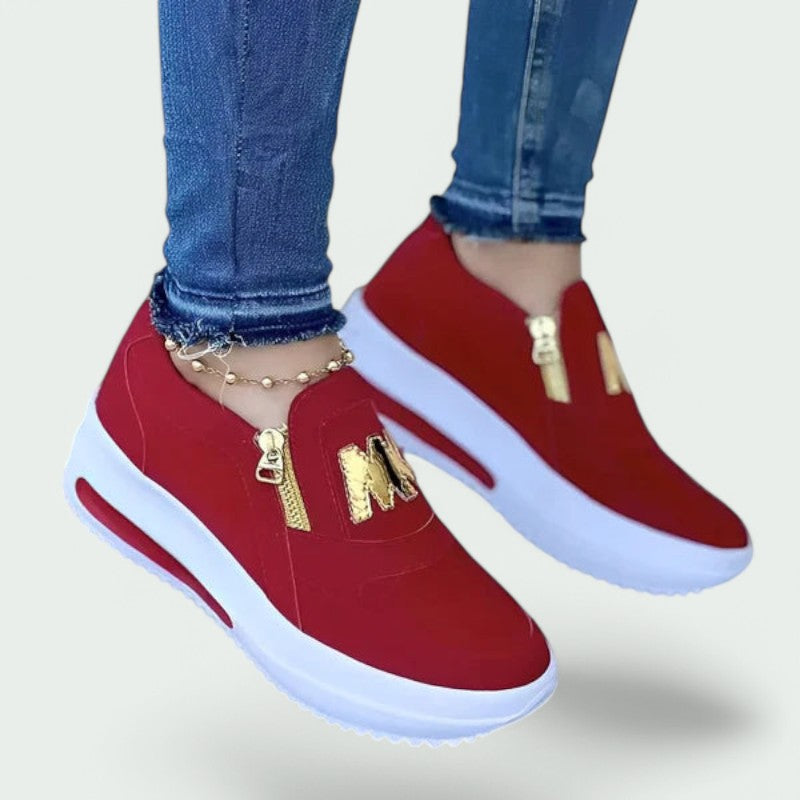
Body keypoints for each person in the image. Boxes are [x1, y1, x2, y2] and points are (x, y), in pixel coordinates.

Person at [64, 0, 751, 743]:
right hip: (231, 355)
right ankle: (235, 340)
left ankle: (506, 256)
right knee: (245, 304)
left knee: (519, 212)